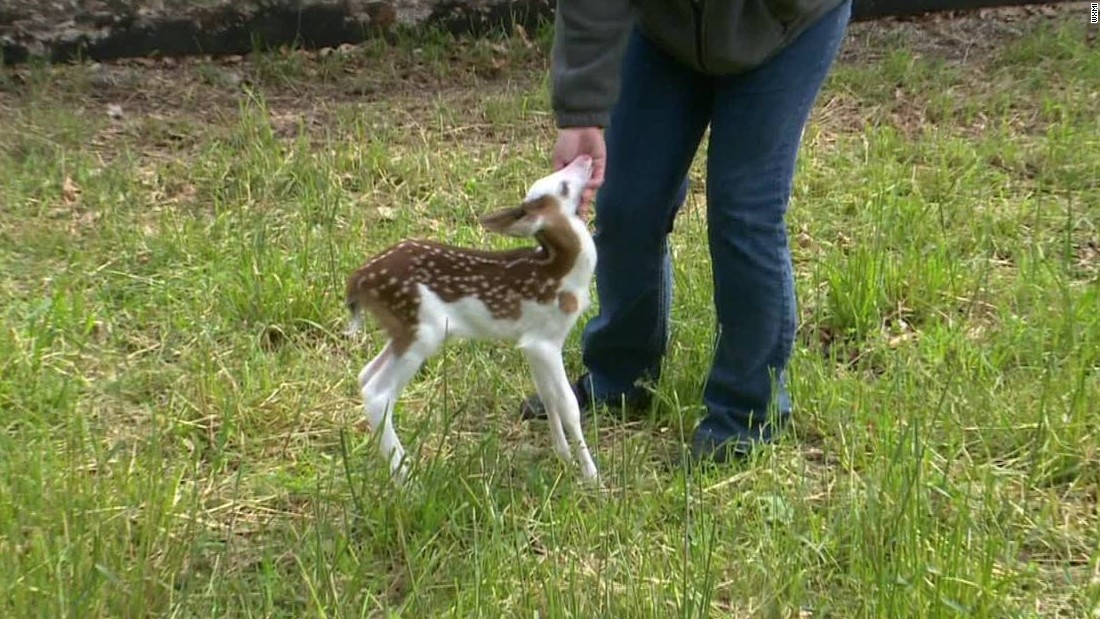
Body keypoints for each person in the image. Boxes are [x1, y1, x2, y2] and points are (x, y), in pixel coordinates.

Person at [518, 0, 853, 464]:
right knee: (626, 204)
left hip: (784, 24)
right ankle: (619, 377)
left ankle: (744, 416)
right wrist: (582, 114)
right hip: (667, 30)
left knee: (744, 212)